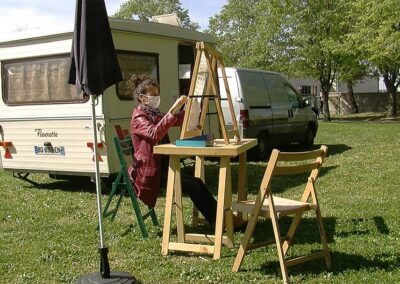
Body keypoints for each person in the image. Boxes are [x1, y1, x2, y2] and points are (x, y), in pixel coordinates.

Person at [127, 74, 218, 225]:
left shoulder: (153, 114)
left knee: (197, 182)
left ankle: (218, 218)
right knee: (194, 186)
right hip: (149, 174)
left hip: (161, 168)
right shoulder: (139, 117)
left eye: (158, 94)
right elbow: (154, 133)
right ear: (142, 98)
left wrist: (192, 107)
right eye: (153, 95)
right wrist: (173, 109)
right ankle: (218, 221)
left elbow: (177, 119)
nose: (157, 98)